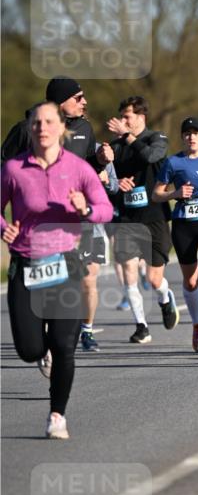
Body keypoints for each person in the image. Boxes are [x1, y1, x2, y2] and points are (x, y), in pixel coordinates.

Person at [1, 102, 113, 438]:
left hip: (66, 263)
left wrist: (86, 208)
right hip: (26, 264)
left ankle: (57, 415)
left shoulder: (79, 168)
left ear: (61, 128)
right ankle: (41, 350)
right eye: (37, 122)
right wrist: (3, 227)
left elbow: (105, 210)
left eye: (49, 122)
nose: (42, 128)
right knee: (30, 349)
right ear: (30, 128)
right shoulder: (13, 169)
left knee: (64, 345)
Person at [2, 76, 107, 356]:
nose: (84, 102)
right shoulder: (26, 130)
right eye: (78, 97)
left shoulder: (85, 128)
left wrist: (101, 164)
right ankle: (45, 336)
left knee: (89, 277)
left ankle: (82, 330)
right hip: (37, 228)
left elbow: (88, 170)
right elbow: (6, 168)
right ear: (61, 103)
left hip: (80, 218)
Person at [97, 96, 178, 343]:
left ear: (141, 118)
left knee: (154, 279)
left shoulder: (157, 138)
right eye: (121, 117)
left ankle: (165, 298)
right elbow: (108, 179)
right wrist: (114, 181)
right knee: (129, 272)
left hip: (154, 217)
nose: (122, 121)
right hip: (128, 219)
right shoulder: (116, 147)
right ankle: (141, 326)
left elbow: (150, 158)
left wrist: (128, 137)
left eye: (127, 117)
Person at [152, 117, 198, 353]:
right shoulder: (173, 163)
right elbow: (155, 195)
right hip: (184, 224)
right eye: (187, 133)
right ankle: (196, 324)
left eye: (196, 133)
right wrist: (175, 193)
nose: (191, 137)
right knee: (191, 281)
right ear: (182, 137)